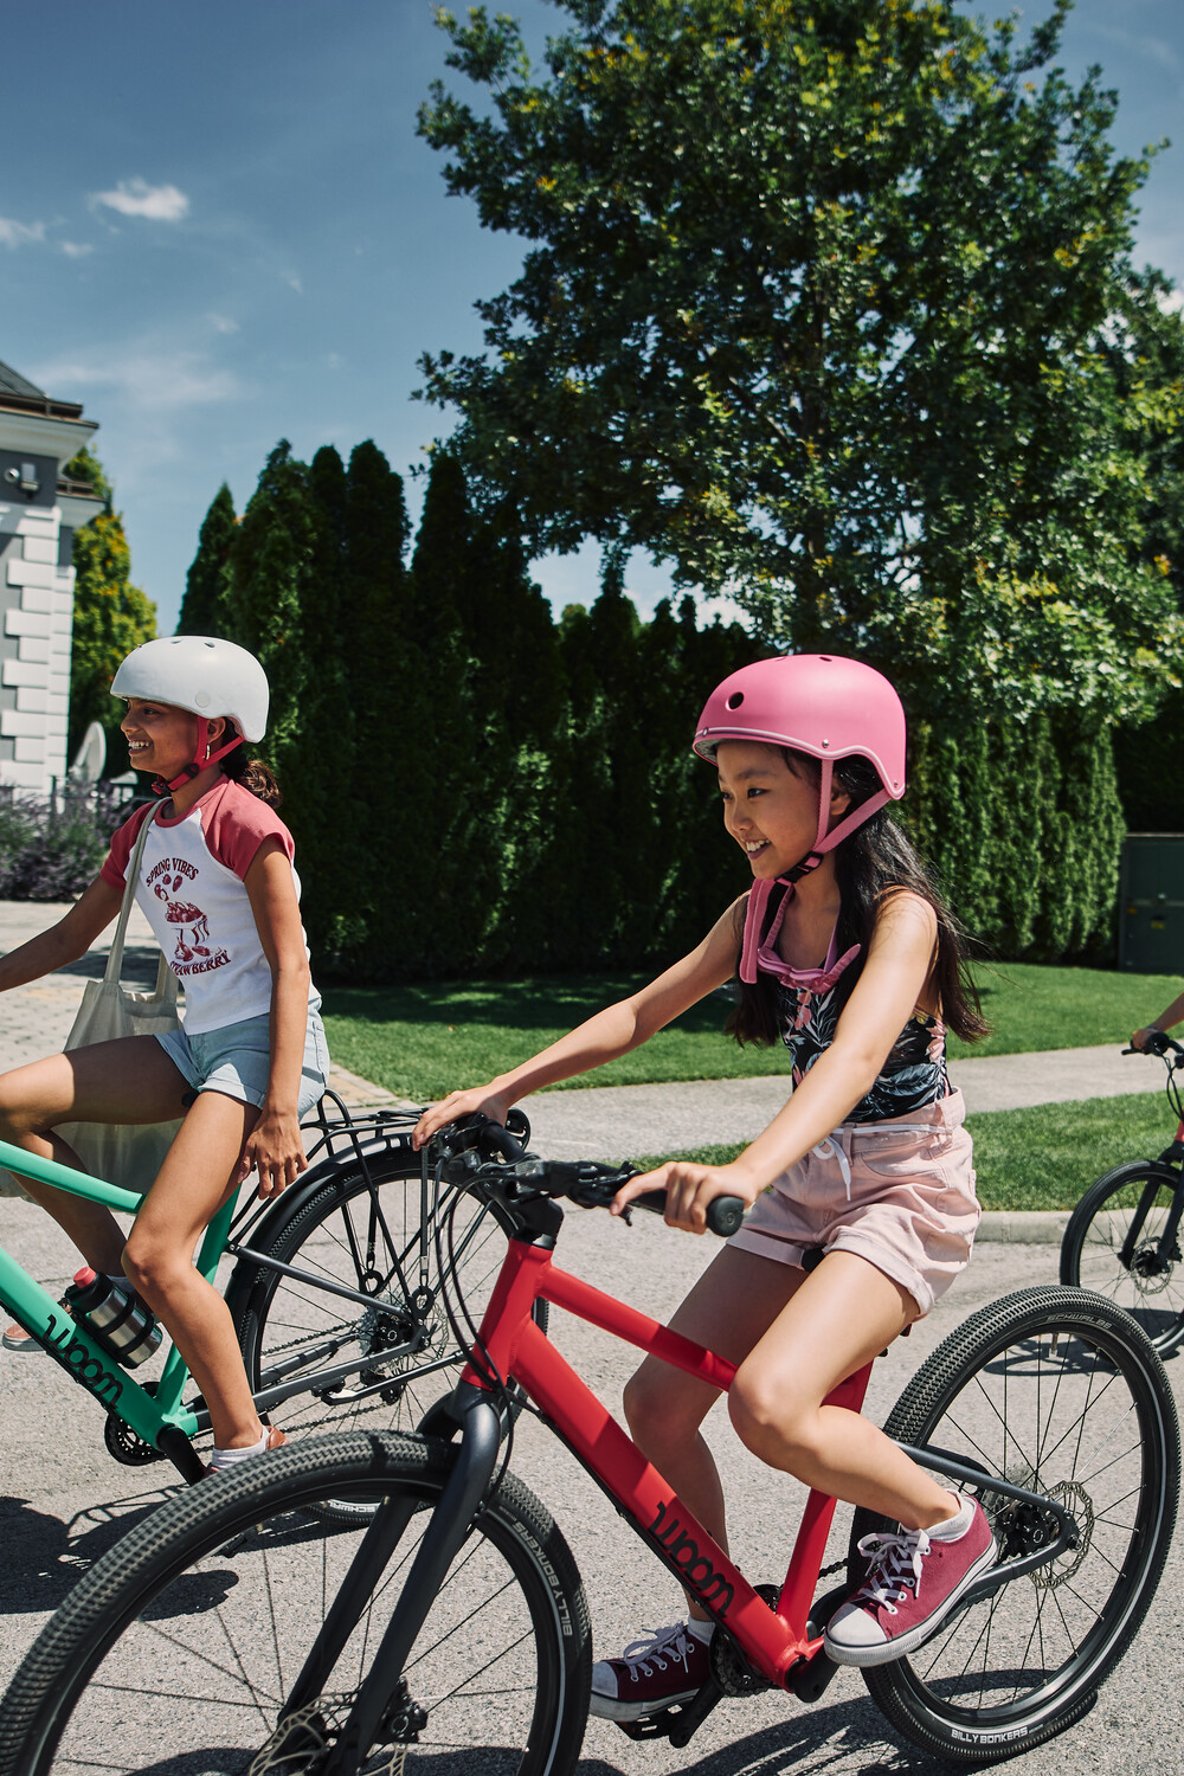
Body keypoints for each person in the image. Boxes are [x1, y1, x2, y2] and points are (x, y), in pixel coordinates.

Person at [413, 652, 990, 1717]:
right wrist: (499, 1088)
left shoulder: (898, 916)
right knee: (658, 1402)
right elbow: (638, 1013)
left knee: (771, 1408)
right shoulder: (760, 912)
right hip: (806, 1186)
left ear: (847, 790)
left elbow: (856, 1058)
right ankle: (714, 1621)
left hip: (902, 1189)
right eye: (724, 793)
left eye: (756, 788)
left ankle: (948, 1524)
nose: (734, 816)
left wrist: (744, 1169)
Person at [0, 636, 329, 1474]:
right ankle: (123, 1290)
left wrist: (280, 1109)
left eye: (150, 711)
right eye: (130, 710)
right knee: (7, 1106)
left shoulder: (243, 822)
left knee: (162, 1252)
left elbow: (291, 967)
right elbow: (70, 938)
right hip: (195, 1042)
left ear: (212, 730)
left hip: (263, 1048)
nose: (130, 724)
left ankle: (246, 1445)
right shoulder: (146, 828)